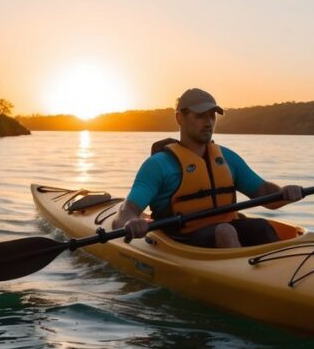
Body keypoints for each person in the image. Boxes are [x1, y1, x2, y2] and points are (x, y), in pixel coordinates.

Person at [113, 88, 304, 248]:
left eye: (212, 115)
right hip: (181, 239)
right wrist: (131, 222)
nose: (209, 122)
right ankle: (245, 282)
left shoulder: (227, 158)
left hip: (226, 231)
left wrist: (285, 192)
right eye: (200, 116)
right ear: (180, 118)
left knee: (261, 226)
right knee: (224, 231)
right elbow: (126, 211)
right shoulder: (158, 165)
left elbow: (265, 194)